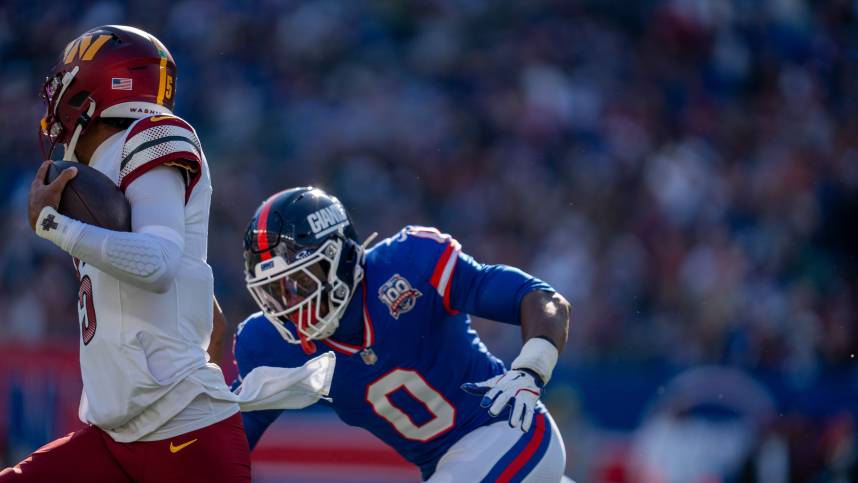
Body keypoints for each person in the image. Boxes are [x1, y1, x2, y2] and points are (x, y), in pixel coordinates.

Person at [4, 25, 251, 482]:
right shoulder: (98, 170)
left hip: (182, 437)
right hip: (112, 437)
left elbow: (156, 264)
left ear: (95, 87)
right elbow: (210, 318)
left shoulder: (151, 136)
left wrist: (53, 225)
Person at [232, 186, 571, 481]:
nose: (291, 303)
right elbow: (230, 442)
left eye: (303, 281)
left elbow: (539, 298)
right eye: (276, 291)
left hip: (510, 432)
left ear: (344, 256)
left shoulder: (410, 263)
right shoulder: (268, 346)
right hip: (449, 468)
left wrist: (532, 367)